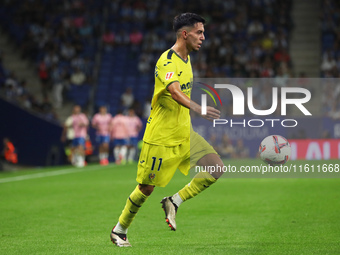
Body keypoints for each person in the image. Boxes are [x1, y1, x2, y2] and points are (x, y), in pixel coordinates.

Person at [110, 13, 222, 247]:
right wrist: (199, 109)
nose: (203, 37)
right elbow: (174, 91)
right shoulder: (167, 60)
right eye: (199, 32)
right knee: (146, 188)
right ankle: (120, 229)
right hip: (161, 138)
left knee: (215, 168)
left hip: (184, 134)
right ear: (185, 34)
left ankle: (175, 201)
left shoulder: (187, 58)